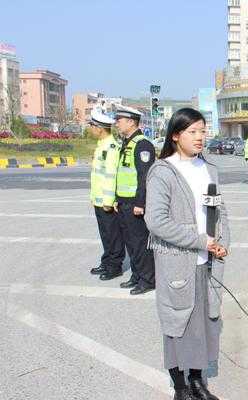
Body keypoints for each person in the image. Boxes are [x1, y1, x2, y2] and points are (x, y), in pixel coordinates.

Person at [145, 108, 229, 400]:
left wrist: (221, 242)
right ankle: (180, 386)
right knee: (177, 322)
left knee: (204, 323)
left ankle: (197, 381)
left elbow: (220, 213)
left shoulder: (209, 169)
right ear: (176, 135)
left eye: (203, 131)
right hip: (178, 261)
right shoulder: (163, 172)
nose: (200, 138)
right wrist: (199, 241)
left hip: (207, 261)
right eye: (192, 132)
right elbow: (156, 222)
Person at [114, 105, 156, 295]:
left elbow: (144, 176)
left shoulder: (142, 144)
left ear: (131, 122)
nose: (116, 123)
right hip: (124, 201)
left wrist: (141, 203)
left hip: (135, 203)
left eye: (119, 120)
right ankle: (137, 275)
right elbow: (123, 174)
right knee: (130, 242)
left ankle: (148, 279)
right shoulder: (127, 142)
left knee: (140, 242)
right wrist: (117, 198)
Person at [88, 108, 126, 281]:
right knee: (105, 234)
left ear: (100, 128)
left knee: (113, 235)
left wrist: (109, 201)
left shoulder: (111, 147)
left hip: (106, 201)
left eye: (92, 125)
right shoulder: (101, 145)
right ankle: (107, 261)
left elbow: (111, 176)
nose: (90, 128)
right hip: (98, 199)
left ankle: (114, 266)